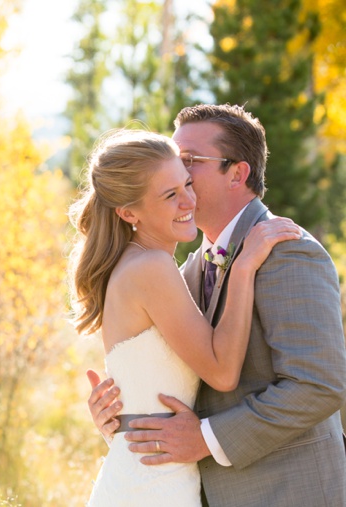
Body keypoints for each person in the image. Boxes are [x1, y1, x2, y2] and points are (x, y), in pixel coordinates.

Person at [85, 104, 346, 507]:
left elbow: (318, 385)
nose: (181, 173)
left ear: (237, 173)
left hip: (287, 493)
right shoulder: (184, 269)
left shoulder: (288, 254)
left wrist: (206, 438)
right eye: (175, 160)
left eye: (190, 161)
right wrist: (123, 416)